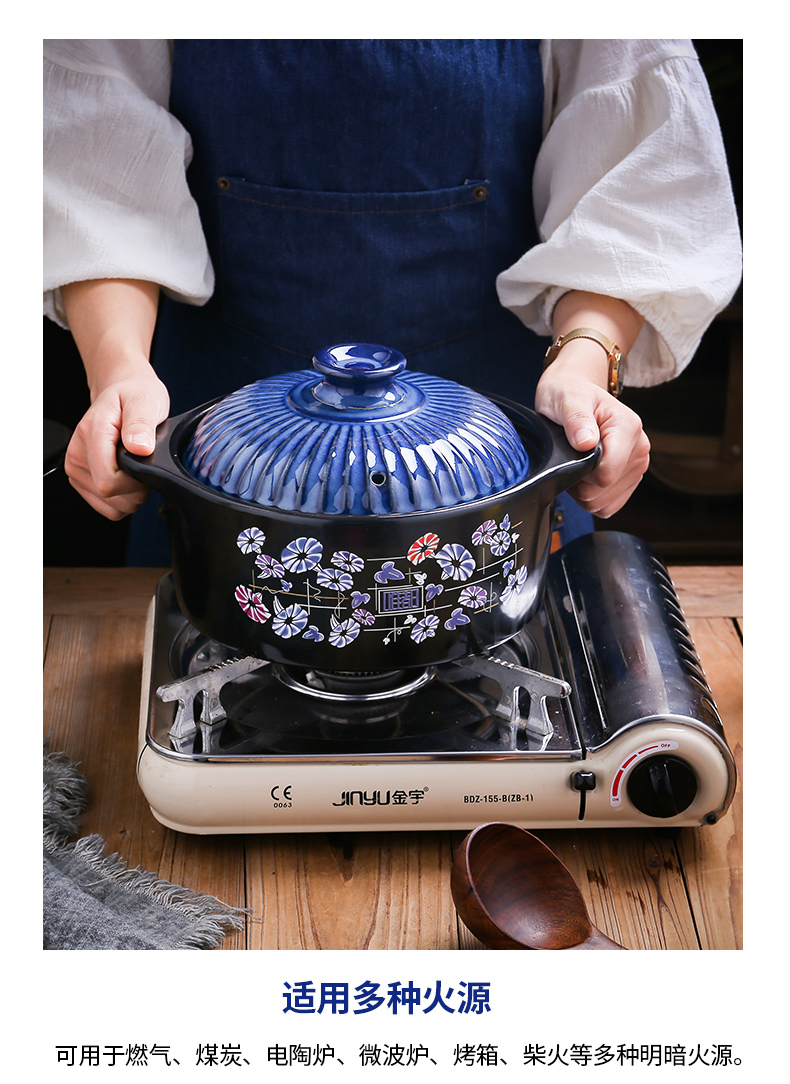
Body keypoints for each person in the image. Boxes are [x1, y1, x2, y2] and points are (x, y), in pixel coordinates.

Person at [43, 40, 742, 566]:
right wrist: (120, 372)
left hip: (506, 449)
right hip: (215, 453)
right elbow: (97, 173)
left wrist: (583, 367)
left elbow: (635, 182)